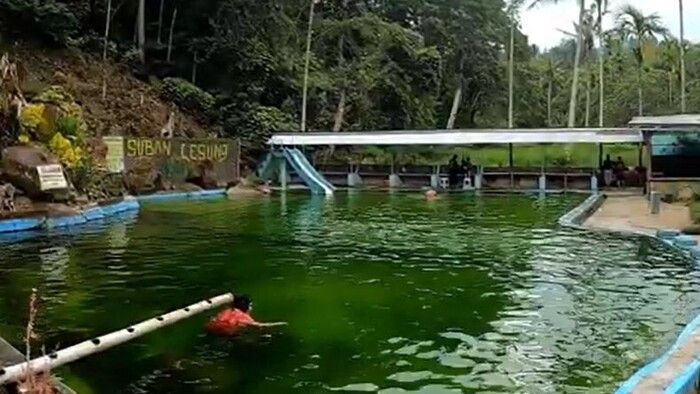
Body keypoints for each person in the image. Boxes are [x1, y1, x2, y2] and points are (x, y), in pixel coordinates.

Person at [206, 295, 286, 336]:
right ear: (246, 307)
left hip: (211, 328)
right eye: (250, 306)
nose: (251, 308)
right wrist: (280, 324)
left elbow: (214, 320)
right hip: (227, 333)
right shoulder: (243, 316)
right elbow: (259, 325)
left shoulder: (227, 311)